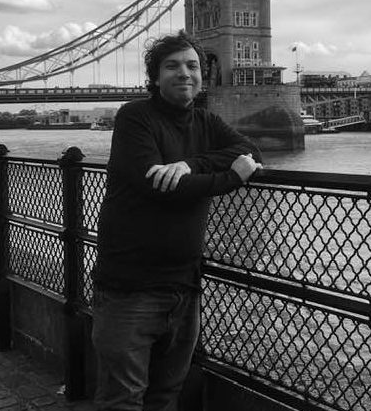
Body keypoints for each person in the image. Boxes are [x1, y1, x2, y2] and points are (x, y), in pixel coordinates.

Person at [91, 31, 262, 410]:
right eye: (172, 66)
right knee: (122, 400)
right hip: (129, 288)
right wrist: (231, 178)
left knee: (166, 395)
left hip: (184, 286)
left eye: (192, 66)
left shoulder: (206, 121)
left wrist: (192, 164)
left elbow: (251, 150)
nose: (184, 73)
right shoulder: (134, 117)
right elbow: (161, 187)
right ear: (154, 77)